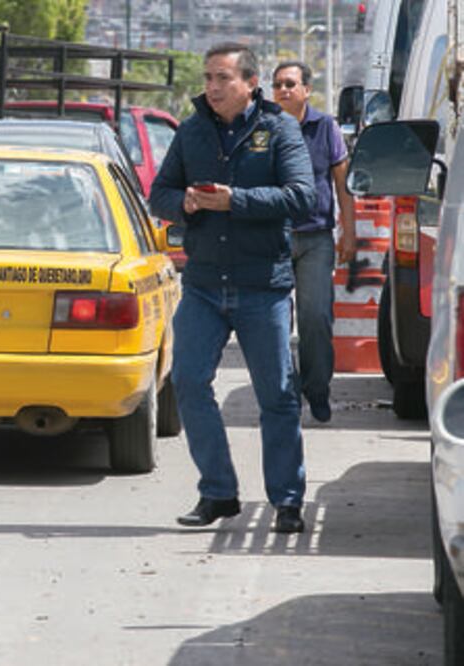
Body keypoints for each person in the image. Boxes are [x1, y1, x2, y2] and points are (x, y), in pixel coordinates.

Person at [149, 43, 316, 534]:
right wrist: (189, 204)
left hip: (261, 285)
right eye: (208, 78)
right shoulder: (193, 130)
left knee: (278, 397)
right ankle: (218, 492)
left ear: (249, 83)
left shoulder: (278, 129)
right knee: (187, 381)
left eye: (223, 78)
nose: (213, 87)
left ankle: (287, 501)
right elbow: (160, 194)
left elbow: (302, 197)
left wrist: (234, 201)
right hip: (202, 285)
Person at [272, 61, 356, 423]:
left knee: (316, 318)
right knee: (273, 320)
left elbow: (343, 184)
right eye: (277, 85)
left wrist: (348, 232)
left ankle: (317, 390)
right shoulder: (264, 128)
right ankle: (285, 393)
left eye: (291, 84)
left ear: (307, 89)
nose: (283, 90)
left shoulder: (326, 127)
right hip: (271, 237)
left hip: (316, 239)